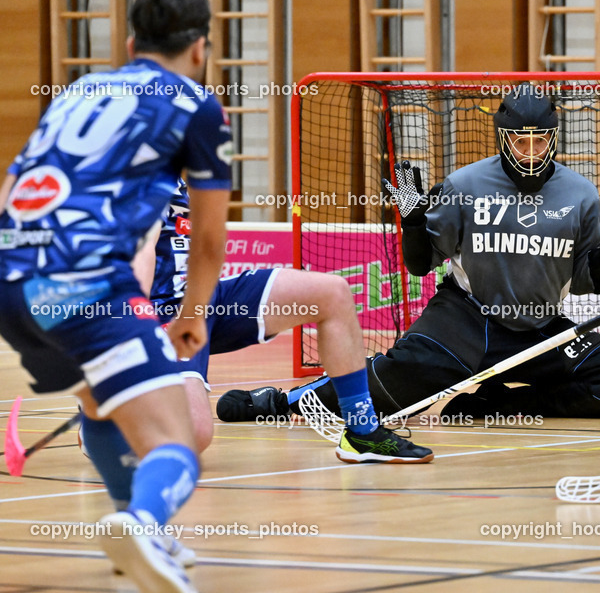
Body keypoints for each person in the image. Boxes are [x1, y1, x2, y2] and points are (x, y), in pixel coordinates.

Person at [0, 0, 225, 593]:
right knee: (177, 442)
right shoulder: (198, 105)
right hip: (88, 282)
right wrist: (191, 316)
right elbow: (208, 239)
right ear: (200, 48)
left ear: (130, 44)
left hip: (12, 277)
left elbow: (12, 188)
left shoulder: (77, 90)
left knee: (100, 401)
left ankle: (147, 529)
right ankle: (144, 521)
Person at [235, 87, 600, 422]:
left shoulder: (580, 194)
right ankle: (280, 403)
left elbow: (585, 282)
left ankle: (496, 407)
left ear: (553, 138)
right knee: (389, 399)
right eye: (520, 140)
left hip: (539, 330)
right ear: (503, 138)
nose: (530, 151)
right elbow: (420, 265)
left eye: (540, 140)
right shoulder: (465, 184)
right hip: (464, 322)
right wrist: (414, 222)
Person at [137, 175, 433, 465]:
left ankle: (362, 431)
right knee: (194, 434)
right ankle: (100, 412)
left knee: (333, 294)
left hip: (210, 299)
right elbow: (140, 254)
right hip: (164, 314)